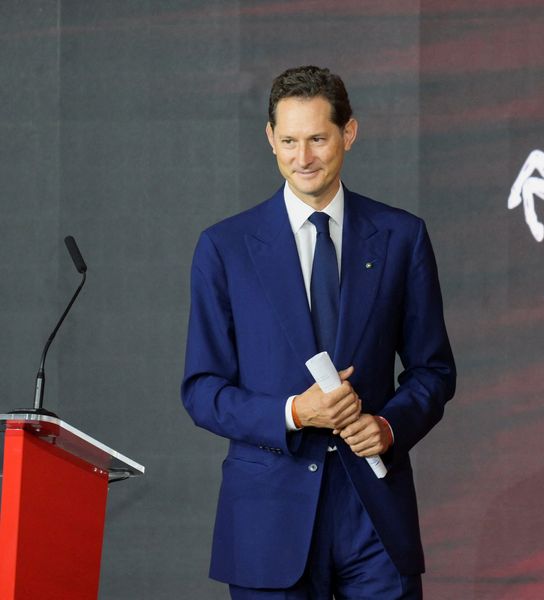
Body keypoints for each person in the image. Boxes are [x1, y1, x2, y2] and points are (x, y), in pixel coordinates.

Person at [181, 65, 456, 599]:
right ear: (269, 139)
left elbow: (433, 371)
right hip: (269, 520)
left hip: (375, 516)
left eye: (316, 139)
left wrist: (389, 427)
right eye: (288, 140)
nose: (302, 157)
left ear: (348, 134)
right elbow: (202, 389)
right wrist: (293, 413)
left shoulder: (402, 237)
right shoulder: (225, 248)